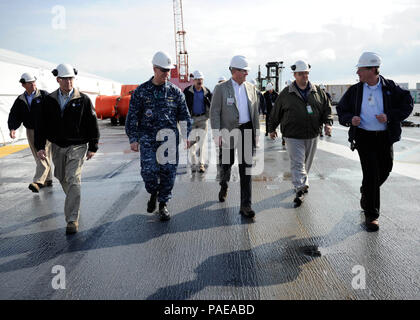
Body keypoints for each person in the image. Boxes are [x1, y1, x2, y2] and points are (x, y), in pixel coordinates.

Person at [336, 52, 413, 231]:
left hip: (385, 137)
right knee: (371, 173)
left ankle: (367, 191)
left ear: (372, 70)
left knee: (385, 169)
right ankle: (372, 215)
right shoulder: (355, 91)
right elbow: (341, 110)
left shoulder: (390, 87)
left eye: (360, 69)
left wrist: (390, 116)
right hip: (364, 137)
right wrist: (350, 119)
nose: (358, 73)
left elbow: (407, 102)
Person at [125, 51, 192, 221]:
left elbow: (184, 116)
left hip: (169, 139)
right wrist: (133, 138)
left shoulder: (175, 92)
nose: (167, 74)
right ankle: (153, 192)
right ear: (154, 69)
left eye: (169, 70)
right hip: (148, 138)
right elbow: (132, 116)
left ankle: (163, 204)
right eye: (163, 70)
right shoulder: (141, 92)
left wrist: (187, 135)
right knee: (149, 172)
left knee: (168, 173)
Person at [35, 64, 100, 234]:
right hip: (57, 146)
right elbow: (41, 125)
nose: (69, 82)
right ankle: (73, 198)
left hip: (78, 145)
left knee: (73, 179)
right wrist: (40, 146)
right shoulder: (49, 100)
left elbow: (92, 123)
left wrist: (93, 145)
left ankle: (72, 219)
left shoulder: (83, 100)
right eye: (65, 79)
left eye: (71, 78)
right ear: (58, 80)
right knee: (61, 176)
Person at [268, 60, 333, 207]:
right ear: (295, 75)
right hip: (293, 135)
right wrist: (272, 129)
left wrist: (328, 124)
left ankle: (303, 181)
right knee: (298, 163)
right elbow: (276, 112)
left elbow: (326, 109)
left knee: (306, 163)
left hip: (312, 134)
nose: (305, 76)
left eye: (306, 73)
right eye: (301, 74)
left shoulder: (317, 92)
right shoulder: (286, 93)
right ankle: (299, 188)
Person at [210, 55, 260, 219]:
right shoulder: (221, 89)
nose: (246, 74)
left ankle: (246, 205)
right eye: (244, 71)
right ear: (234, 71)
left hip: (246, 131)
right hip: (227, 132)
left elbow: (255, 112)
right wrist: (216, 133)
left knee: (246, 170)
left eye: (247, 71)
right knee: (226, 164)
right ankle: (224, 184)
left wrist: (256, 133)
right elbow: (215, 111)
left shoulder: (251, 88)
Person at [8, 72, 52, 193]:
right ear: (23, 85)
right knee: (37, 154)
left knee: (42, 153)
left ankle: (38, 181)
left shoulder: (44, 95)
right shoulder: (21, 99)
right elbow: (14, 114)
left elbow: (53, 111)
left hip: (44, 130)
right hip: (30, 131)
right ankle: (48, 179)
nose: (33, 84)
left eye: (34, 82)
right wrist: (12, 128)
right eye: (30, 83)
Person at [183, 70, 212, 173]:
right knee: (192, 143)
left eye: (201, 79)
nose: (199, 81)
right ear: (193, 80)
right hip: (191, 119)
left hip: (203, 119)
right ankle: (194, 163)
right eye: (197, 79)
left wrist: (210, 116)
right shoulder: (187, 92)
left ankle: (201, 164)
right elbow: (183, 106)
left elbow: (211, 105)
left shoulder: (207, 92)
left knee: (202, 143)